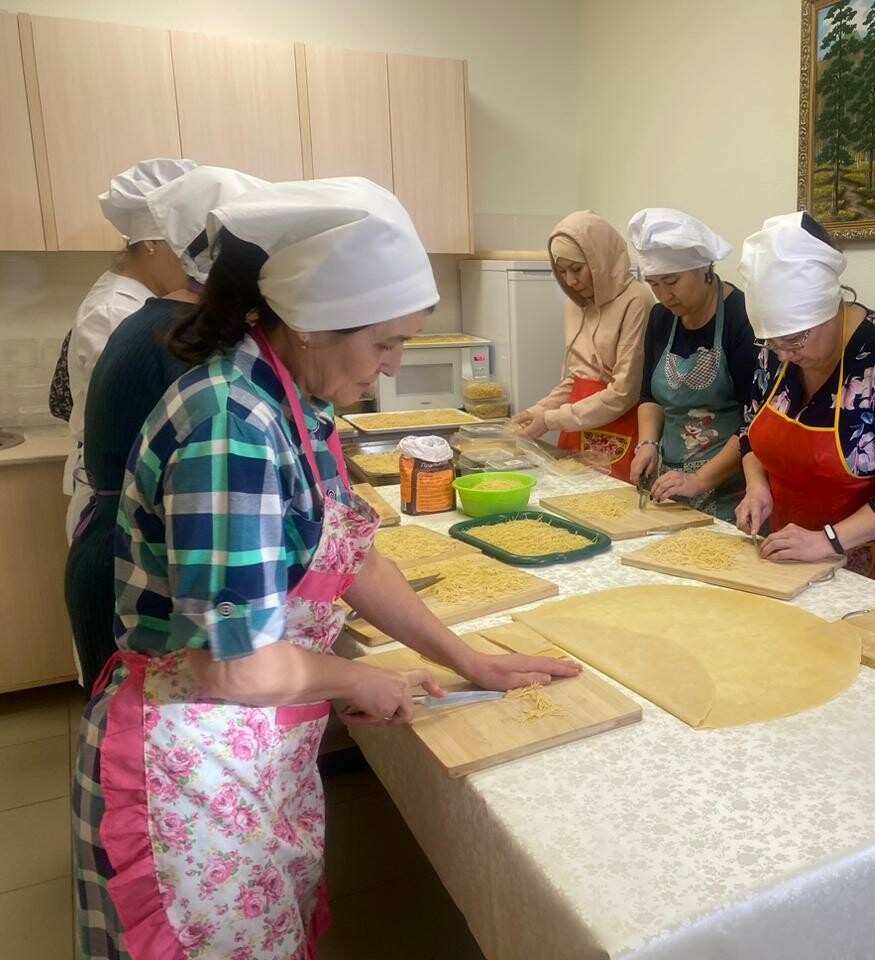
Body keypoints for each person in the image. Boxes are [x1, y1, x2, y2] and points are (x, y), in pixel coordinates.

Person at [72, 178, 579, 960]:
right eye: (384, 344)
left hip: (254, 749)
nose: (389, 367)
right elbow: (233, 670)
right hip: (195, 761)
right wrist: (360, 681)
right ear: (308, 326)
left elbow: (353, 559)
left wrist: (471, 660)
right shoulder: (230, 430)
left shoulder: (292, 407)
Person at [64, 165, 268, 690]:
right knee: (140, 732)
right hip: (128, 559)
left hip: (124, 542)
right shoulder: (175, 338)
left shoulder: (162, 320)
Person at [735, 212, 875, 598]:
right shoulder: (777, 353)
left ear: (829, 307)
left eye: (794, 341)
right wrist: (756, 486)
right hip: (789, 556)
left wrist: (828, 541)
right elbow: (749, 431)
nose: (783, 355)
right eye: (772, 343)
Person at [58, 158, 199, 541]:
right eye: (186, 249)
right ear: (152, 242)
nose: (195, 267)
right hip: (115, 504)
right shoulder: (116, 310)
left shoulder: (143, 297)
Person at [626, 208, 755, 522]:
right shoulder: (660, 318)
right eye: (654, 284)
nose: (664, 295)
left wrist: (701, 480)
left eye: (672, 281)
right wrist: (647, 443)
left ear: (705, 268)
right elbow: (650, 396)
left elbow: (755, 422)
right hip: (670, 481)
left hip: (729, 487)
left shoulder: (743, 318)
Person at [511, 210, 651, 481]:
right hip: (575, 426)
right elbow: (577, 379)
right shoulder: (575, 305)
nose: (571, 281)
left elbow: (624, 392)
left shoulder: (636, 300)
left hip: (620, 428)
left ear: (599, 260)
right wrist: (539, 410)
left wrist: (551, 419)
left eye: (577, 269)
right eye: (561, 271)